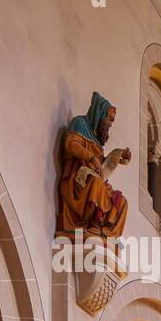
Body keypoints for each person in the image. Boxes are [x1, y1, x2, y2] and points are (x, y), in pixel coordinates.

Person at [56, 91, 132, 238]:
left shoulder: (97, 140)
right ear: (99, 115)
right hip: (77, 179)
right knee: (96, 184)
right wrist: (91, 157)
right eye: (109, 119)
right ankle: (93, 225)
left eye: (112, 121)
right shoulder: (80, 123)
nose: (110, 124)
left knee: (122, 202)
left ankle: (105, 232)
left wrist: (120, 157)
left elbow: (102, 165)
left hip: (92, 179)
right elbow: (71, 144)